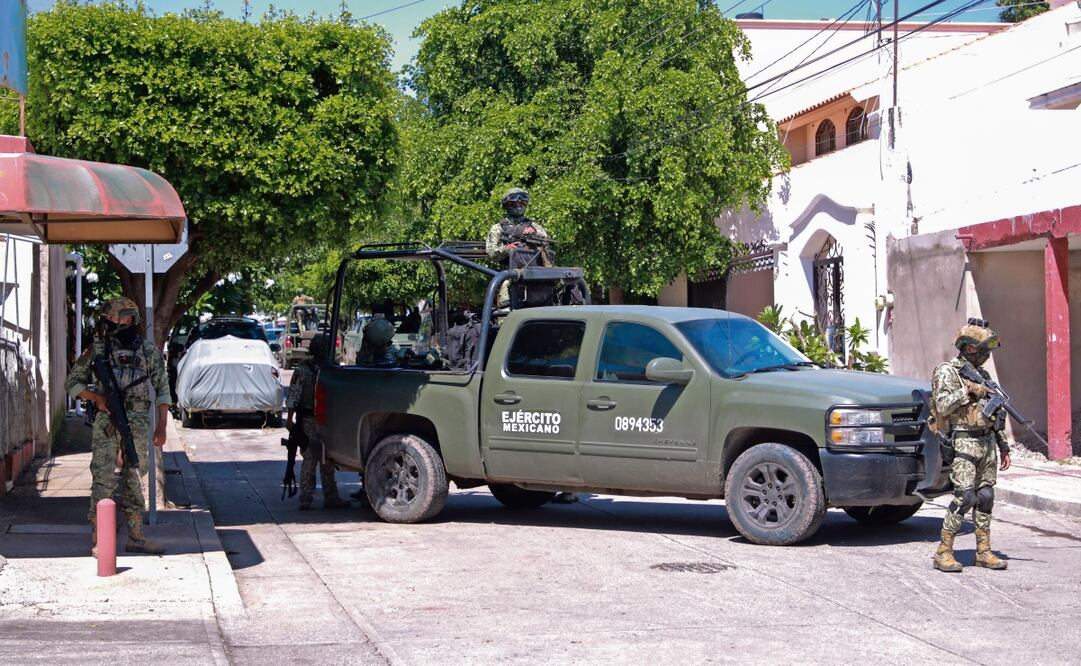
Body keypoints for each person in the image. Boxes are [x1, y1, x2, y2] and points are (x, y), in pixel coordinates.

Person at [65, 297, 171, 556]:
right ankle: (100, 539)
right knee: (103, 478)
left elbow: (163, 390)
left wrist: (162, 427)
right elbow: (72, 383)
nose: (116, 323)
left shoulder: (147, 350)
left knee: (135, 477)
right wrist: (95, 398)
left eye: (121, 318)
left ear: (132, 319)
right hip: (107, 421)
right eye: (111, 319)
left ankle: (136, 536)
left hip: (137, 421)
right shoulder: (96, 351)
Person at [930, 318, 1011, 573]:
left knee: (986, 496)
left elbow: (994, 414)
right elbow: (942, 405)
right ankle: (943, 551)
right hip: (963, 441)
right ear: (968, 347)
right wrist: (967, 391)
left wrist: (1003, 446)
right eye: (983, 349)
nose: (986, 355)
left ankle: (983, 551)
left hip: (987, 442)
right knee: (965, 498)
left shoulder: (983, 376)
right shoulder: (948, 371)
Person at [287, 333, 348, 510]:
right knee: (319, 459)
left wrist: (290, 420)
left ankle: (310, 497)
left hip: (316, 420)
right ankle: (323, 497)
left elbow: (293, 396)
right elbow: (294, 396)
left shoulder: (306, 369)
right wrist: (290, 419)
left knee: (316, 459)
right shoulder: (330, 370)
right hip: (318, 420)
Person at [485, 187, 554, 308]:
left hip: (536, 276)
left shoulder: (535, 227)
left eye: (522, 203)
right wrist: (507, 249)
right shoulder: (498, 228)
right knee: (506, 308)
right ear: (507, 205)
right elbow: (491, 253)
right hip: (511, 276)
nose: (519, 206)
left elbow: (547, 250)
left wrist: (535, 236)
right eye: (514, 204)